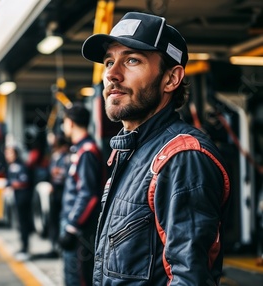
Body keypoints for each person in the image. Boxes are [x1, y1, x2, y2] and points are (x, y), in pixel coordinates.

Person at [81, 12, 231, 285]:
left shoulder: (181, 157)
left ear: (171, 79)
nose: (112, 74)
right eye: (109, 62)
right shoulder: (133, 152)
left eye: (131, 60)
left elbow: (189, 278)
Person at [59, 103, 104, 286]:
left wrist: (71, 227)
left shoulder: (87, 152)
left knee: (78, 278)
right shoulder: (80, 149)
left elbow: (89, 195)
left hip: (80, 231)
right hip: (76, 226)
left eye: (64, 123)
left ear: (70, 123)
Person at [5, 145, 34, 261]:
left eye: (10, 153)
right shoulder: (11, 166)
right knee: (20, 224)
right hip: (17, 197)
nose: (8, 156)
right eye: (7, 153)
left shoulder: (21, 165)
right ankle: (23, 246)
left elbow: (25, 181)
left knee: (24, 223)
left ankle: (25, 248)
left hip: (23, 198)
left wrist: (12, 185)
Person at [45, 136, 71, 258]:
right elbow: (51, 172)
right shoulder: (55, 157)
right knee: (53, 219)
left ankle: (61, 246)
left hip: (64, 191)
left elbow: (67, 174)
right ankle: (54, 245)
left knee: (63, 219)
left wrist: (59, 172)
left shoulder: (68, 158)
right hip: (55, 190)